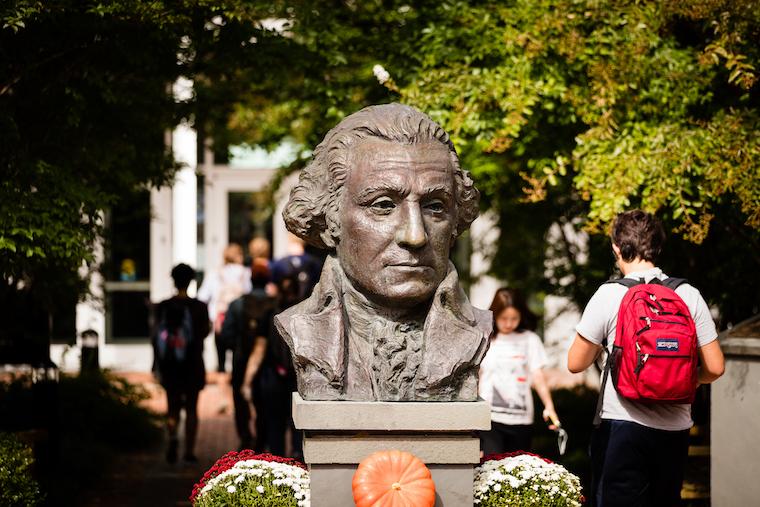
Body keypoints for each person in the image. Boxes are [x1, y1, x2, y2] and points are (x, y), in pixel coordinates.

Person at [274, 103, 489, 402]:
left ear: (456, 220)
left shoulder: (479, 330)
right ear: (330, 218)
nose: (415, 236)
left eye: (435, 206)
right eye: (383, 205)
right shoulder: (301, 329)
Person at [567, 210, 725, 507]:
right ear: (658, 246)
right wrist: (683, 377)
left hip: (621, 424)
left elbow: (575, 363)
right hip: (675, 428)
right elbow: (716, 367)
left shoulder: (608, 295)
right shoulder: (688, 294)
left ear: (617, 247)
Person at [479, 288, 559, 455]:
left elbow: (537, 375)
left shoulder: (530, 339)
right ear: (495, 315)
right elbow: (477, 376)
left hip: (521, 420)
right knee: (491, 466)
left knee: (517, 471)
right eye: (504, 318)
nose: (509, 323)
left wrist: (549, 406)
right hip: (489, 419)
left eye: (514, 318)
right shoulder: (485, 339)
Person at [153, 263, 210, 463]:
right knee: (192, 408)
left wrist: (155, 364)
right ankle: (189, 451)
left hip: (170, 365)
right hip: (193, 363)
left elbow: (155, 337)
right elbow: (204, 332)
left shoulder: (163, 306)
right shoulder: (200, 307)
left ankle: (172, 439)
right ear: (191, 280)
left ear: (173, 280)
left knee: (172, 406)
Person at [220, 259, 276, 450]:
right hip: (269, 364)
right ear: (268, 279)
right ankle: (262, 440)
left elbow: (226, 334)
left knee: (241, 401)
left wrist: (236, 349)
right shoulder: (275, 304)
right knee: (265, 403)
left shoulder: (237, 305)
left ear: (250, 279)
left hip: (241, 360)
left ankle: (245, 437)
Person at [197, 243, 252, 373]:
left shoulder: (215, 273)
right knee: (238, 353)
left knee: (220, 352)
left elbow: (202, 297)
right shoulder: (246, 273)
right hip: (240, 318)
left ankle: (221, 372)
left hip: (220, 318)